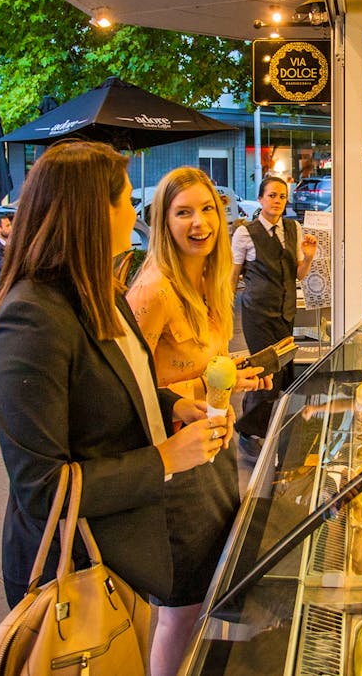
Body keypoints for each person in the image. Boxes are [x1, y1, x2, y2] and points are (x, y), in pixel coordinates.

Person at [0, 141, 233, 616]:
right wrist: (164, 458)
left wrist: (174, 406)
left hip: (120, 550)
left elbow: (118, 388)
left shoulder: (101, 291)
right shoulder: (31, 316)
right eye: (126, 200)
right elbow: (42, 488)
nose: (135, 214)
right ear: (94, 212)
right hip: (69, 570)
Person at [127, 166, 272, 676]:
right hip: (177, 466)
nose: (199, 223)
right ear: (161, 222)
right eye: (183, 212)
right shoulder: (154, 290)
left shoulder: (212, 282)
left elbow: (206, 371)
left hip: (216, 450)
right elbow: (123, 384)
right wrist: (180, 403)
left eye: (207, 209)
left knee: (208, 587)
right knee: (181, 606)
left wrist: (237, 378)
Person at [231, 175, 317, 461]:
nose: (277, 201)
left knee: (281, 369)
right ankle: (249, 431)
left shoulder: (293, 228)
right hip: (257, 312)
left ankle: (265, 427)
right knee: (265, 370)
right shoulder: (245, 233)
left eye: (282, 196)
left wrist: (307, 258)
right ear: (260, 199)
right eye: (272, 196)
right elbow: (233, 276)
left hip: (284, 311)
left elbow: (297, 275)